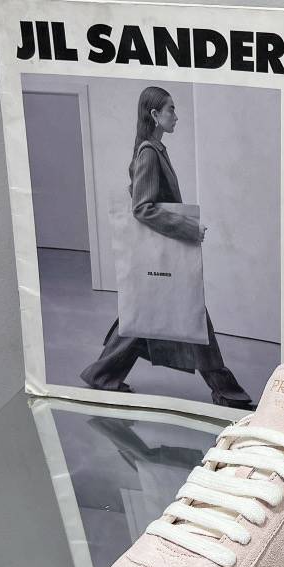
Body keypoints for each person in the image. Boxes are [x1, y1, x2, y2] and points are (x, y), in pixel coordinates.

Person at [80, 86, 255, 409]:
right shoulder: (149, 152)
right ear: (155, 114)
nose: (176, 115)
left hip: (160, 257)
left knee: (142, 318)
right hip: (165, 254)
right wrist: (188, 228)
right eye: (171, 109)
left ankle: (102, 375)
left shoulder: (154, 150)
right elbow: (142, 207)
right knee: (189, 318)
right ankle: (226, 392)